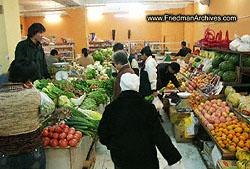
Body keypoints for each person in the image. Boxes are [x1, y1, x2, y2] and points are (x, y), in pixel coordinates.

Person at [98, 73, 182, 169]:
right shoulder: (148, 108)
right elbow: (159, 135)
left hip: (122, 158)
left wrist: (114, 146)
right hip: (146, 158)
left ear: (121, 86)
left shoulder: (112, 108)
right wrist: (173, 157)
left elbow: (103, 134)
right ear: (138, 86)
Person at [0, 60, 46, 169]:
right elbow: (47, 111)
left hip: (5, 154)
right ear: (30, 78)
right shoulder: (34, 95)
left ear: (9, 73)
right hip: (33, 152)